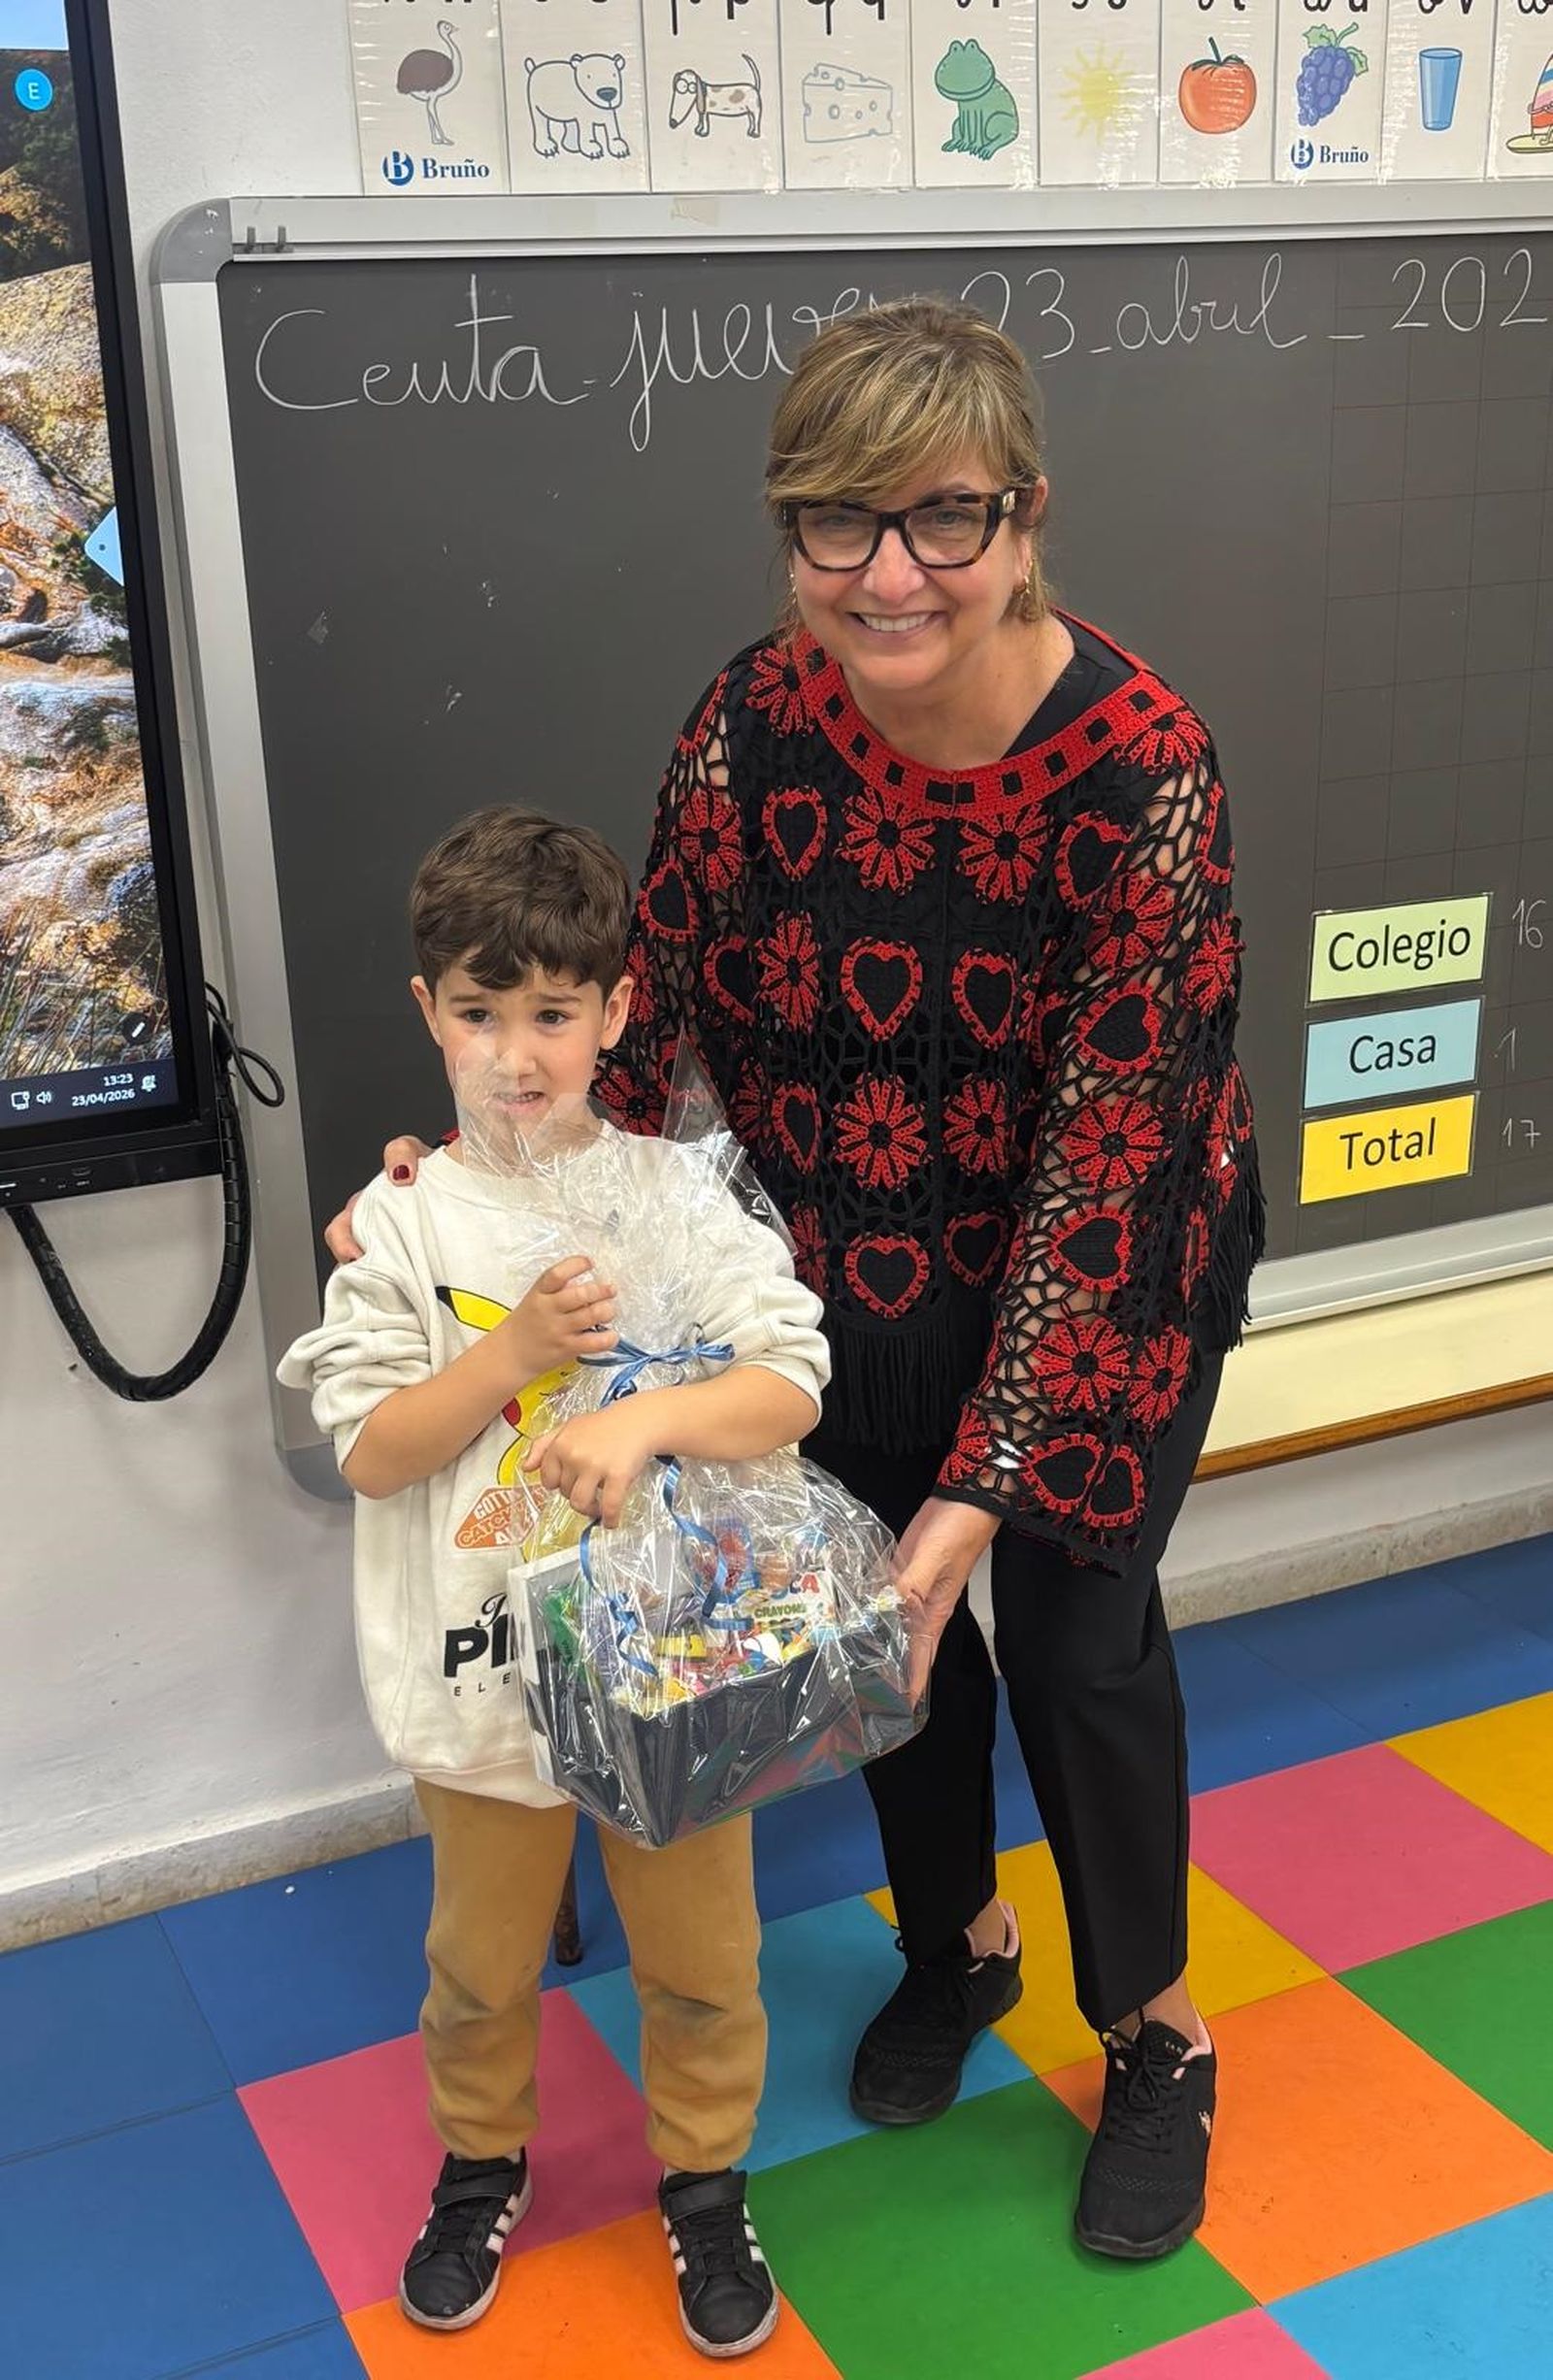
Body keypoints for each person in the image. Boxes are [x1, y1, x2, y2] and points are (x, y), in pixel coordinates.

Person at [328, 298, 1263, 2263]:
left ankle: (1152, 2031)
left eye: (938, 518)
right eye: (835, 524)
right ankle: (959, 1944)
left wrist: (974, 1489)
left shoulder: (1141, 771)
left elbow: (1104, 1165)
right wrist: (485, 1172)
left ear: (1021, 517)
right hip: (834, 1248)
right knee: (873, 1647)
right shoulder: (752, 719)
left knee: (1073, 1647)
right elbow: (636, 1011)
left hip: (1105, 1268)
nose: (886, 574)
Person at [286, 807, 831, 2355]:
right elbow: (377, 1454)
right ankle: (481, 2164)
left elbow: (790, 1380)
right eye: (479, 1012)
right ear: (427, 1014)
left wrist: (655, 1418)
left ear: (616, 1010)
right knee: (477, 1961)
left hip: (675, 1665)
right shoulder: (397, 1223)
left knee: (706, 1960)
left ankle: (707, 2180)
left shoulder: (676, 1193)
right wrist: (519, 1349)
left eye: (551, 1013)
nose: (517, 1054)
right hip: (478, 1677)